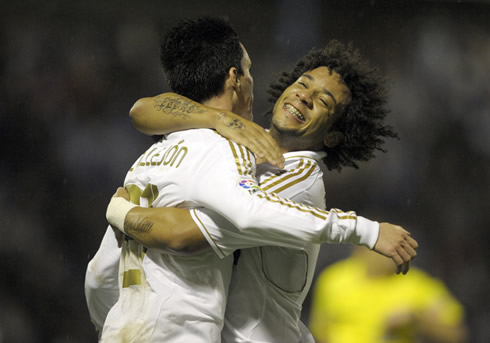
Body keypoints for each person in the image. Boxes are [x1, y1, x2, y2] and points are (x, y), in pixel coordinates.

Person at [87, 17, 416, 342]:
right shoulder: (228, 147)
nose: (304, 97)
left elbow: (187, 234)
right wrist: (217, 117)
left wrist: (121, 212)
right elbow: (143, 110)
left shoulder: (299, 177)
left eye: (323, 102)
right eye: (302, 84)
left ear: (332, 137)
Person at [309, 246, 468, 343]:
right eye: (382, 249)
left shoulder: (417, 285)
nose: (391, 255)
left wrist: (417, 319)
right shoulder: (334, 279)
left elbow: (457, 335)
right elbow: (320, 330)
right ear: (361, 251)